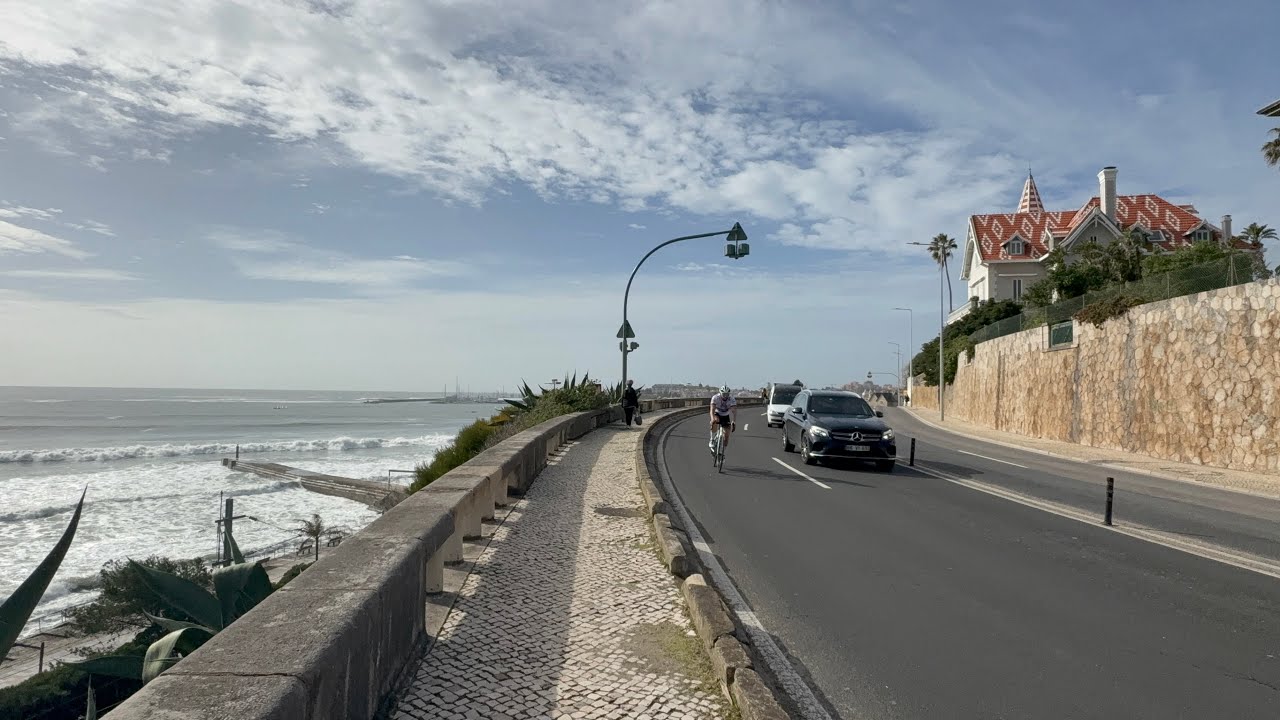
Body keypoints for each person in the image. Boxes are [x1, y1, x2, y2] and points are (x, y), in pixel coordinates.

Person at [708, 384, 737, 453]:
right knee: (715, 421)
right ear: (720, 393)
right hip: (717, 413)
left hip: (725, 415)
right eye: (723, 394)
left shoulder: (732, 399)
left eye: (727, 394)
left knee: (726, 436)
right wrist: (712, 419)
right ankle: (712, 439)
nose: (725, 396)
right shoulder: (715, 398)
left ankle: (722, 453)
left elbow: (734, 412)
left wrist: (734, 421)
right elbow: (711, 410)